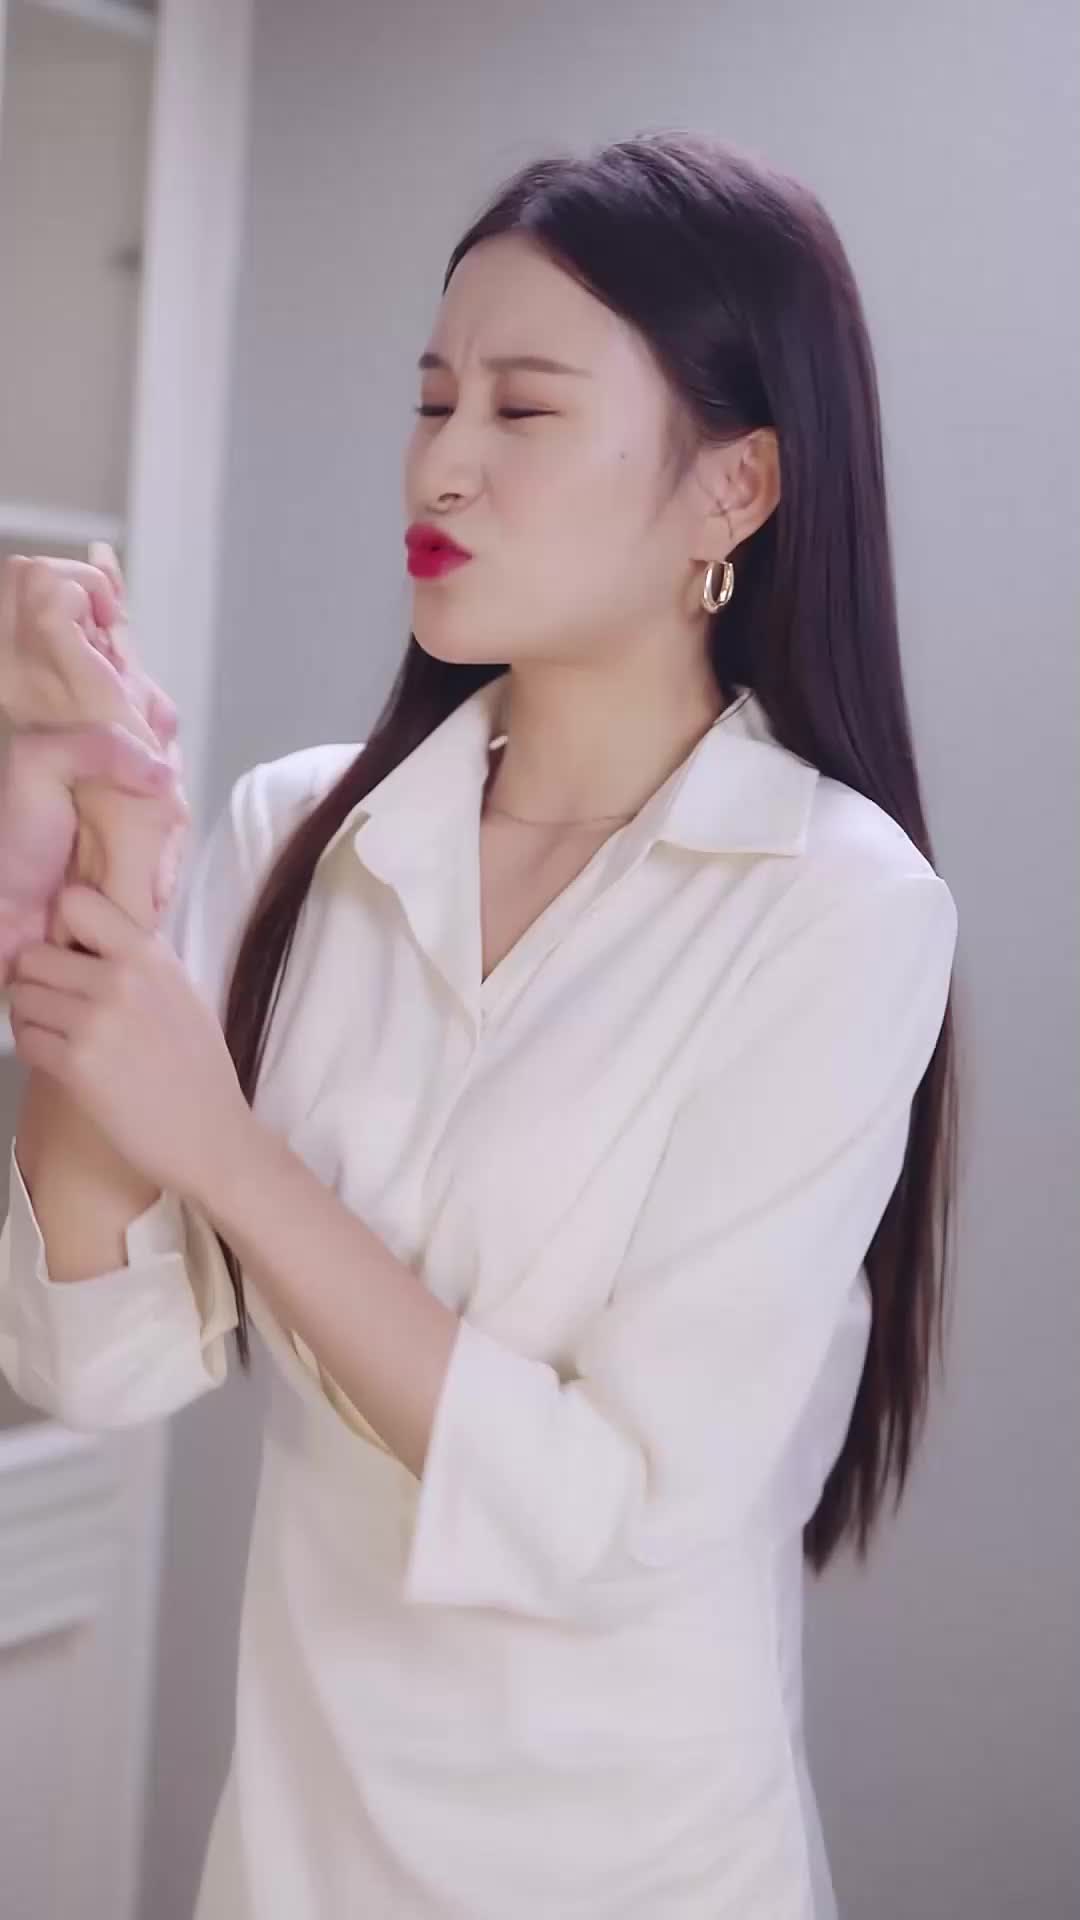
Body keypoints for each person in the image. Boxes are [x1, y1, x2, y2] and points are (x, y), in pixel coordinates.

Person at [0, 133, 959, 1919]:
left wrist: (224, 1149)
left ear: (734, 487)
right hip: (295, 1861)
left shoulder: (837, 906)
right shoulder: (303, 832)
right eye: (434, 399)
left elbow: (614, 1515)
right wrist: (99, 862)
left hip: (641, 1871)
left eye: (523, 410)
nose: (441, 461)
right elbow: (99, 1362)